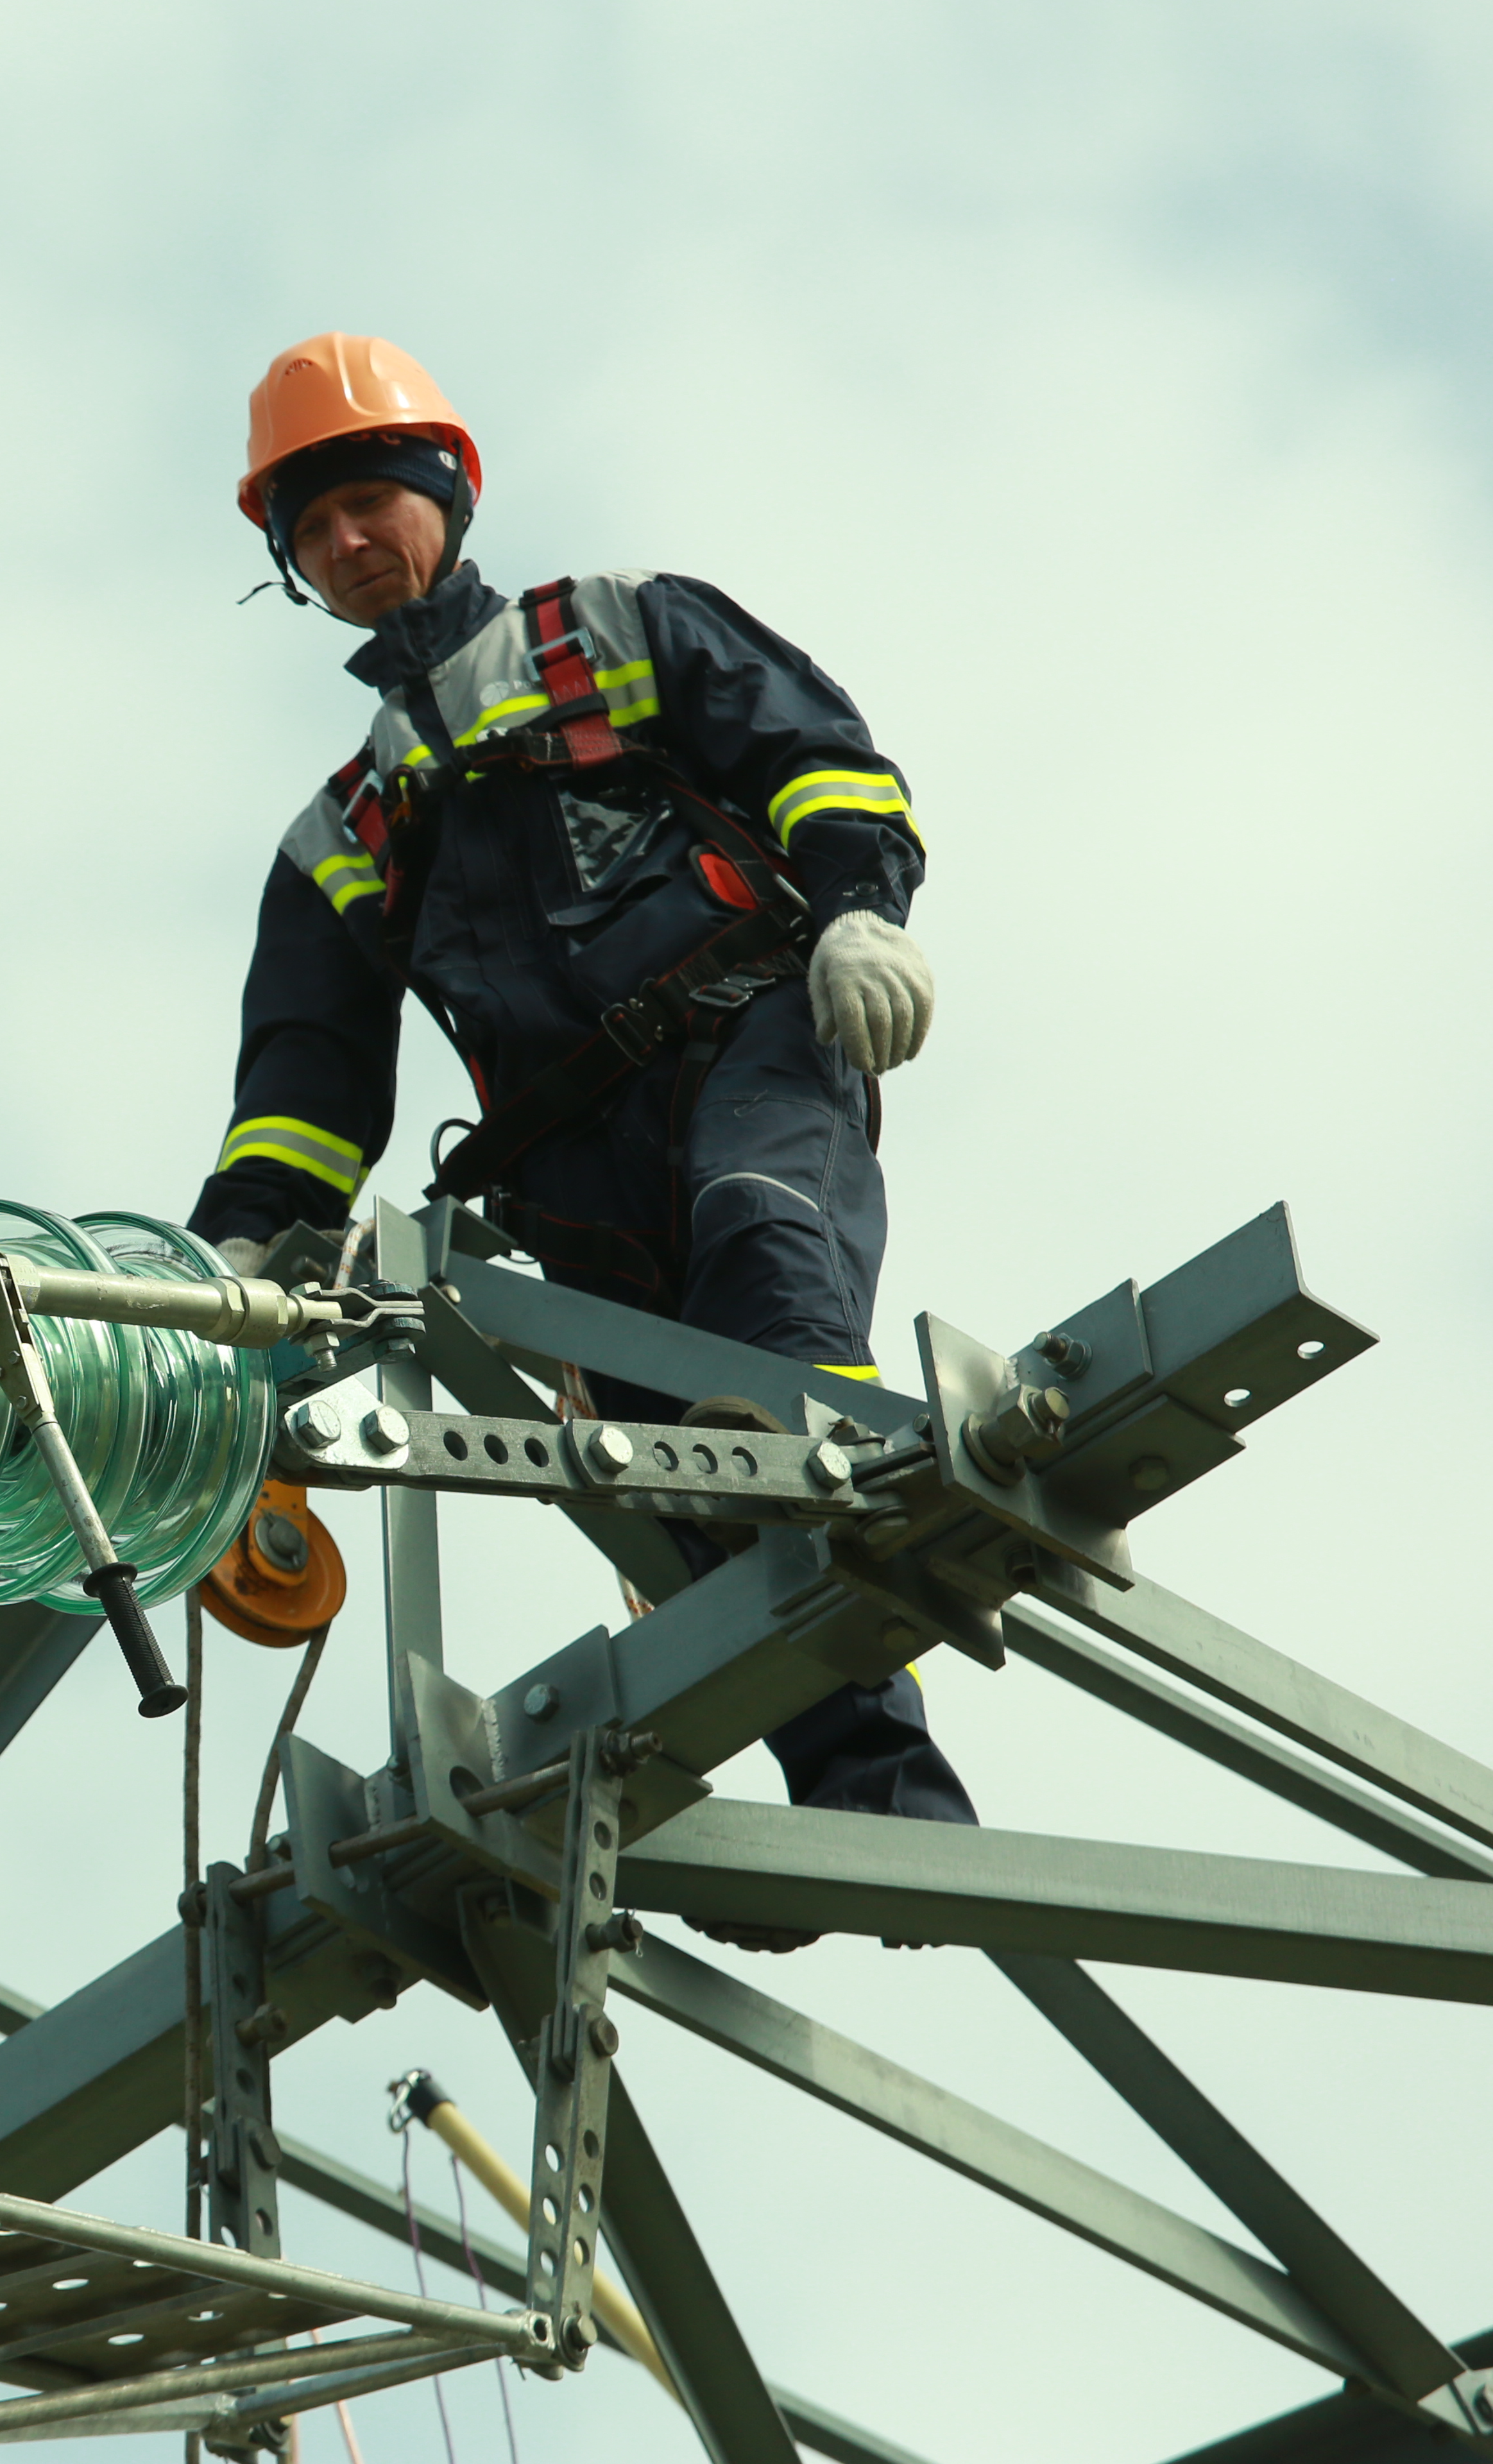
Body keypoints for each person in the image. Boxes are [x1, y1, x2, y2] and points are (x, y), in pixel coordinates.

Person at [191, 335, 975, 1887]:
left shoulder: (618, 628)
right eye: (313, 535)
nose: (347, 547)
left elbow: (819, 761)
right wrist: (238, 1261)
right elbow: (306, 1085)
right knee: (667, 1506)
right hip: (564, 1174)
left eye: (366, 505)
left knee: (765, 1267)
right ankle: (864, 1823)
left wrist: (857, 914)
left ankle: (881, 1765)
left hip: (750, 1035)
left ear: (445, 494)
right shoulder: (342, 828)